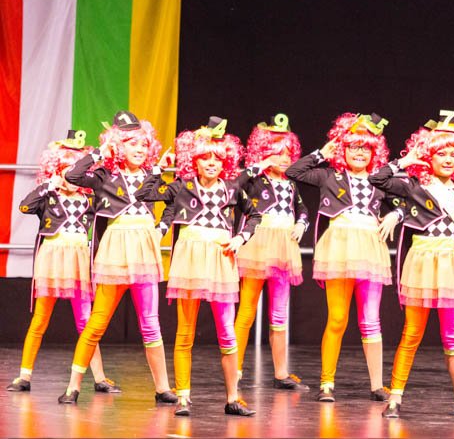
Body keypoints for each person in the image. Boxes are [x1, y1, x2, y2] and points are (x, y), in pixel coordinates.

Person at [370, 110, 454, 419]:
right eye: (441, 153)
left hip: (453, 263)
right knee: (412, 333)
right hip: (423, 263)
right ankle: (395, 399)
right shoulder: (414, 185)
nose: (449, 159)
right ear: (428, 156)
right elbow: (377, 178)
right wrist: (405, 160)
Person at [137, 116, 262, 417]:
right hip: (190, 258)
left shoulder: (232, 188)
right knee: (185, 332)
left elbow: (256, 215)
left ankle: (233, 398)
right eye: (205, 157)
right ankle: (183, 397)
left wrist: (241, 237)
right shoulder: (182, 186)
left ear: (225, 161)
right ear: (194, 160)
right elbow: (144, 195)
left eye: (217, 158)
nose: (211, 163)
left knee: (227, 333)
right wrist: (158, 170)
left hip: (220, 257)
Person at [58, 111, 174, 404]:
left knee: (150, 322)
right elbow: (72, 176)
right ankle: (73, 387)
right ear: (118, 146)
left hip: (144, 249)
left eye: (143, 144)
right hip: (115, 250)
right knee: (97, 321)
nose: (139, 149)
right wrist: (99, 153)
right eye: (132, 143)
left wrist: (160, 229)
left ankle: (162, 388)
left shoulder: (151, 175)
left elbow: (174, 202)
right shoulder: (104, 175)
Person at [286, 113, 401, 403]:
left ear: (374, 151)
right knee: (337, 319)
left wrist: (395, 214)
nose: (359, 153)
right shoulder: (329, 176)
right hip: (339, 248)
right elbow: (293, 172)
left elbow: (410, 200)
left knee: (371, 320)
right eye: (353, 147)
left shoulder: (380, 180)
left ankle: (377, 385)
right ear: (343, 149)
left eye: (365, 148)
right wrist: (321, 153)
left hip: (370, 249)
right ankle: (327, 383)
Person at [7, 131, 118, 394]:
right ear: (55, 171)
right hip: (53, 260)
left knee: (86, 321)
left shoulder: (89, 200)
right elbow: (24, 207)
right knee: (40, 319)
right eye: (63, 170)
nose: (68, 177)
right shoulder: (49, 196)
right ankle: (24, 375)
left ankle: (99, 377)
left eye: (72, 171)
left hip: (79, 260)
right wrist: (48, 184)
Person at [234, 115, 310, 390]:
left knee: (279, 314)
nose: (283, 158)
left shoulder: (290, 183)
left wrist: (301, 223)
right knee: (247, 310)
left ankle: (281, 373)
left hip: (284, 247)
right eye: (277, 153)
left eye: (288, 153)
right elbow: (235, 184)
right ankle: (235, 370)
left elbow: (302, 208)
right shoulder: (255, 179)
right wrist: (260, 165)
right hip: (258, 244)